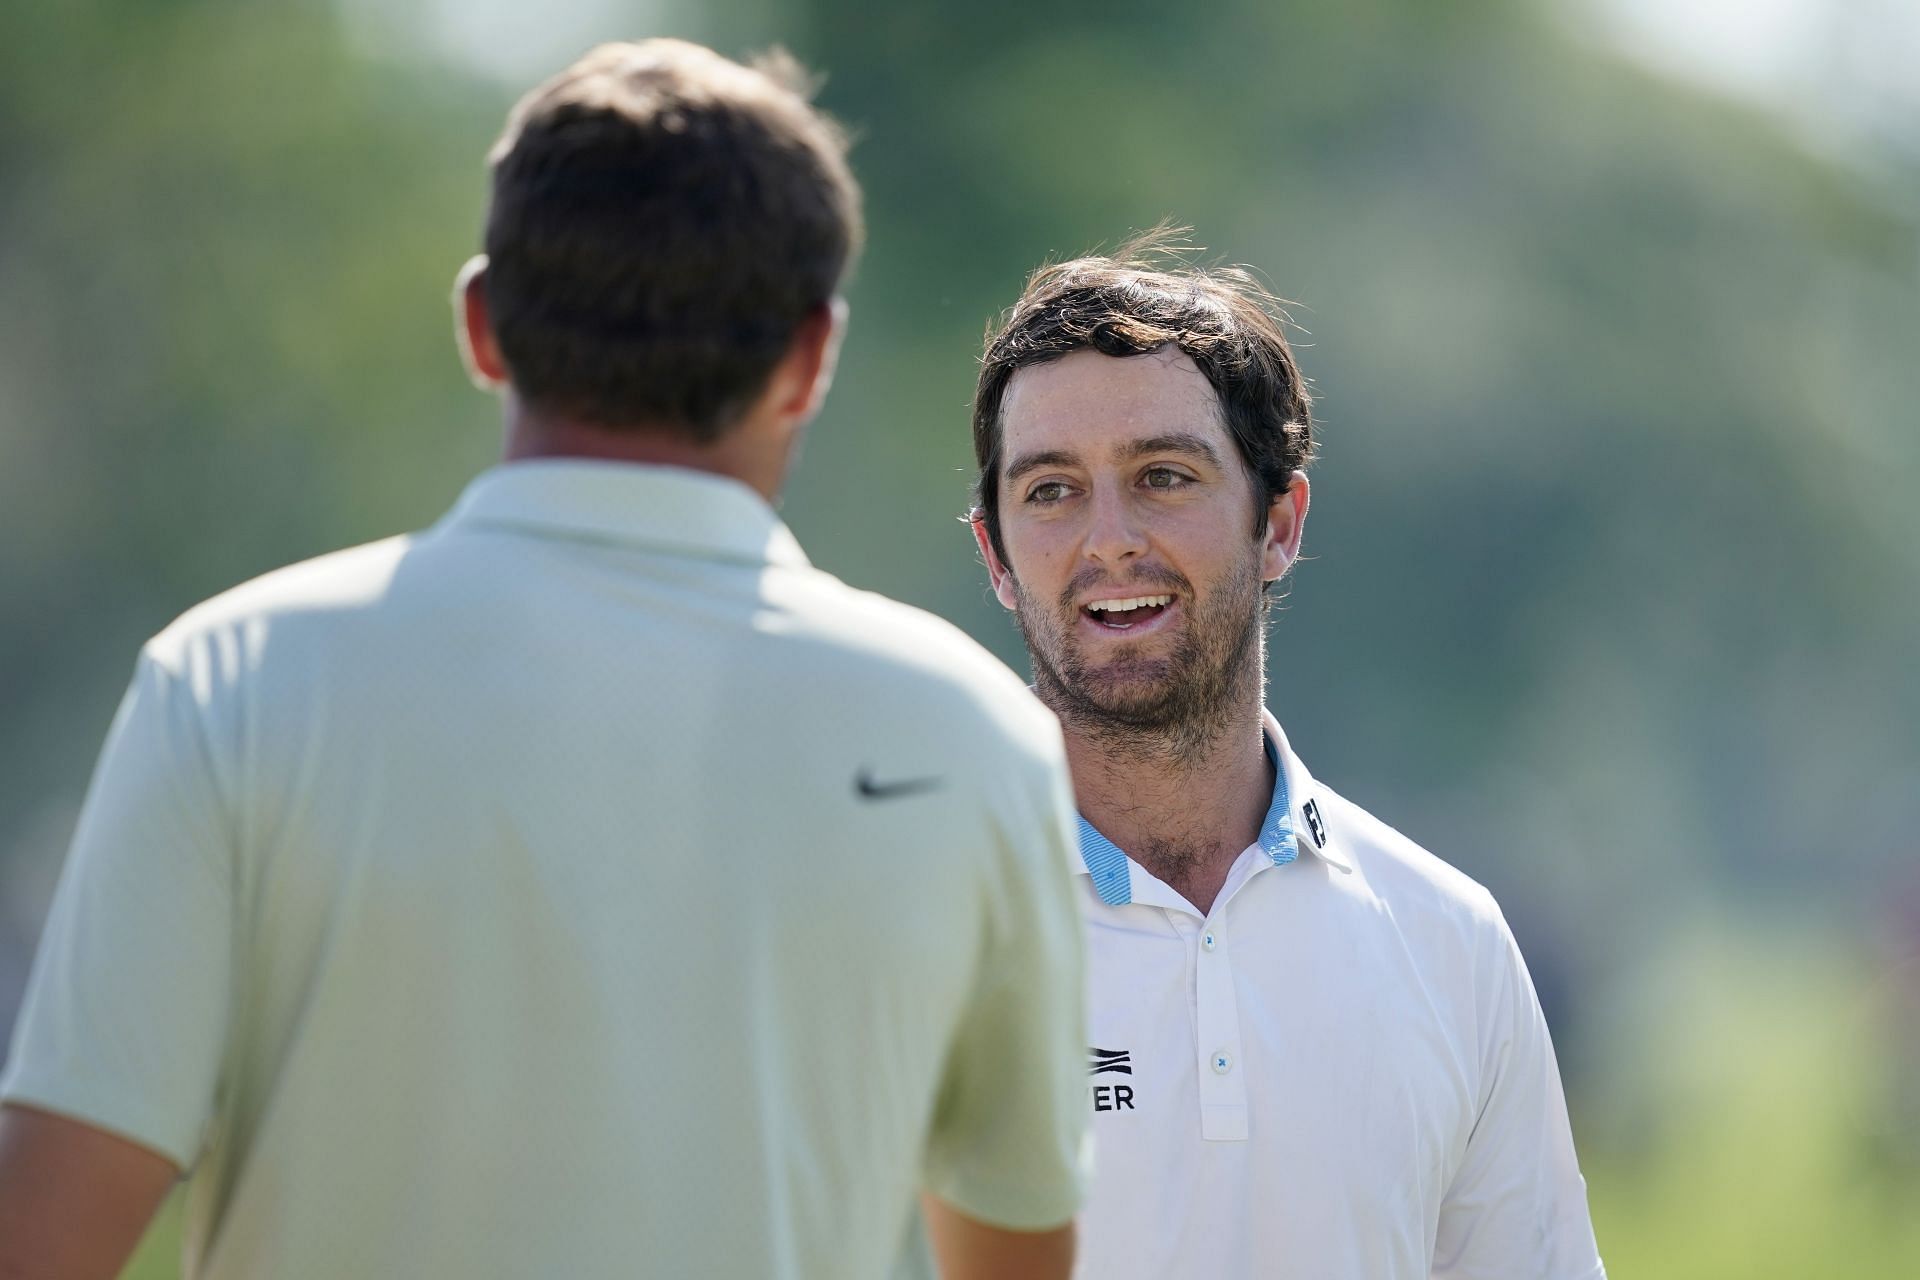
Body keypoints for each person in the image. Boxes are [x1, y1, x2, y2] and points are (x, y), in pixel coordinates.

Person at [0, 40, 1089, 1280]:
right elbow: (1015, 1252)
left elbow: (43, 1242)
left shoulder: (234, 680)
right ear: (810, 356)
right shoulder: (971, 735)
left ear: (481, 325)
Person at [966, 234, 1606, 1279]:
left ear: (1279, 522)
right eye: (1051, 490)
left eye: (1164, 475)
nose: (1109, 537)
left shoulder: (1451, 940)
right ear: (995, 552)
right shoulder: (899, 924)